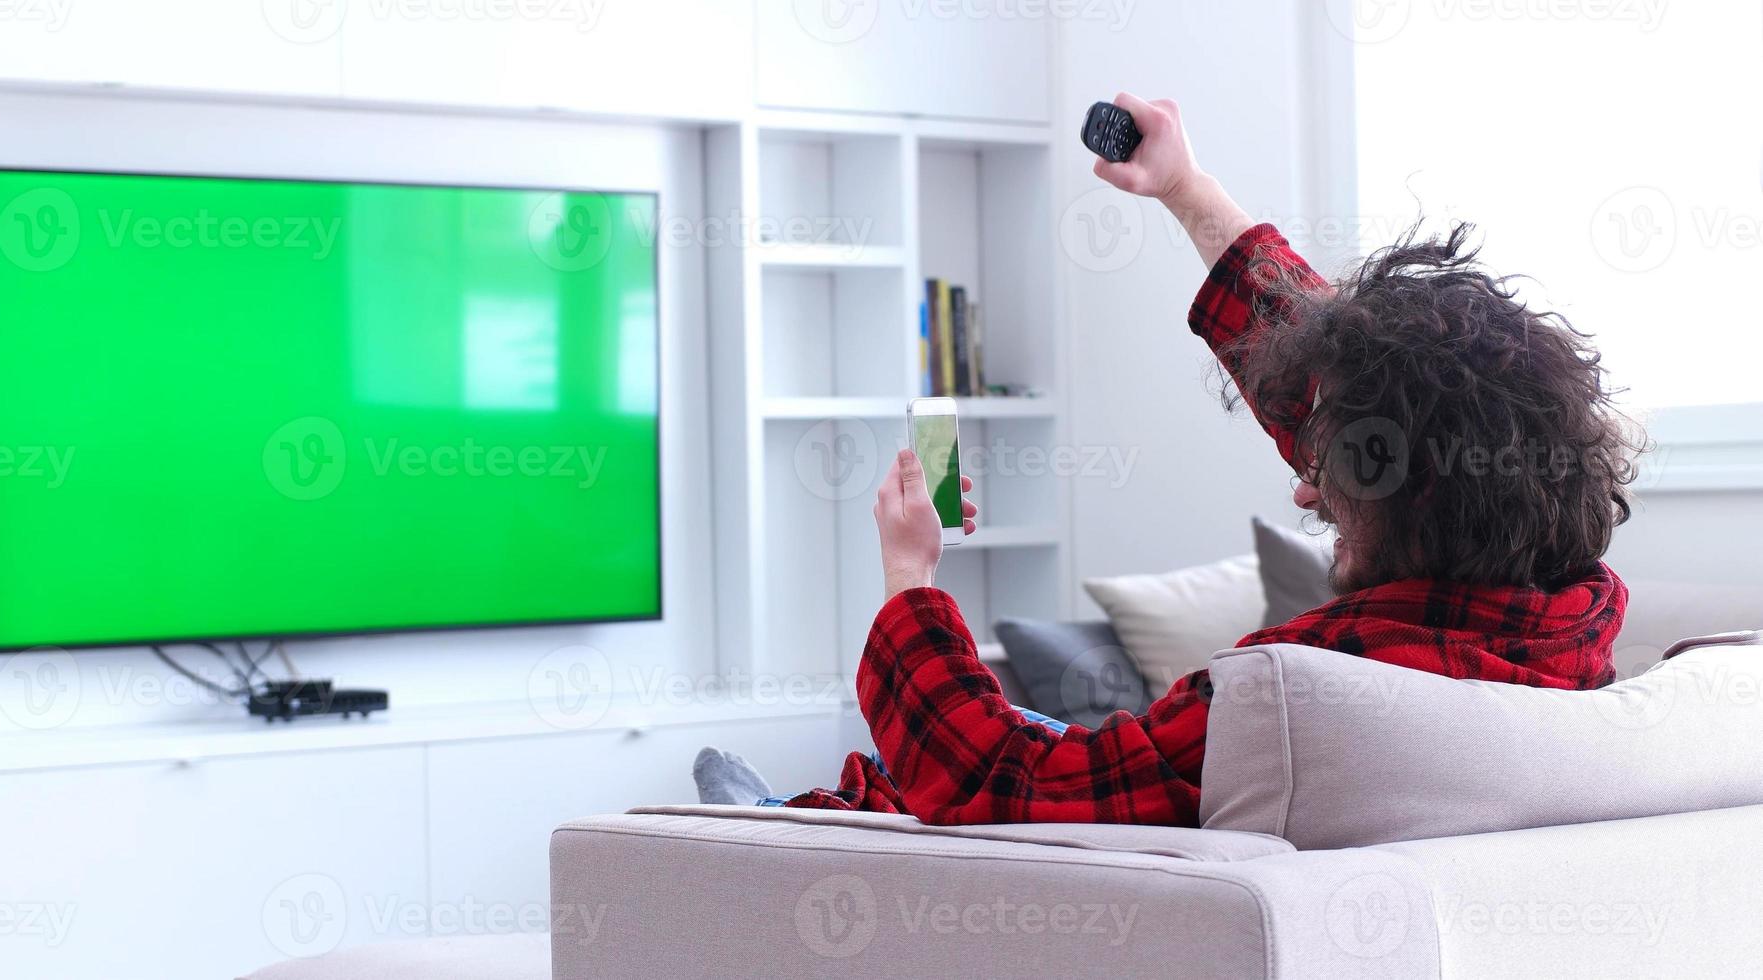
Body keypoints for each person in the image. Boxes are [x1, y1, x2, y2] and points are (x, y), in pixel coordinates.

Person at [695, 93, 1642, 826]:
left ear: (1407, 493)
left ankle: (776, 829)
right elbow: (1373, 399)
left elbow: (996, 782)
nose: (1304, 485)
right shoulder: (1569, 620)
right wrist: (1184, 186)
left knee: (992, 756)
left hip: (1041, 849)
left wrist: (909, 574)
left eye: (1332, 490)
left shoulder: (1299, 695)